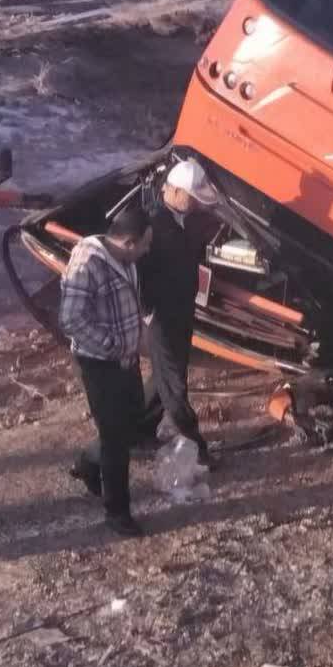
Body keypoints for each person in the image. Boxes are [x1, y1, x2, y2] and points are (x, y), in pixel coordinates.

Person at [58, 207, 153, 538]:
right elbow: (71, 320)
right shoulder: (87, 265)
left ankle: (88, 463)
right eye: (145, 245)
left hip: (125, 359)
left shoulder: (124, 259)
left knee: (130, 422)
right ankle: (117, 511)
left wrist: (139, 332)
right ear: (128, 242)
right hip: (100, 364)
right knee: (116, 439)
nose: (147, 251)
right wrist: (114, 345)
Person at [138, 159, 219, 466]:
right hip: (162, 317)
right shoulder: (155, 226)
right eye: (192, 197)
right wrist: (148, 312)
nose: (197, 204)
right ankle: (198, 449)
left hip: (180, 313)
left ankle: (139, 429)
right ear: (173, 191)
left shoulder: (181, 220)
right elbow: (138, 272)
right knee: (174, 385)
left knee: (164, 376)